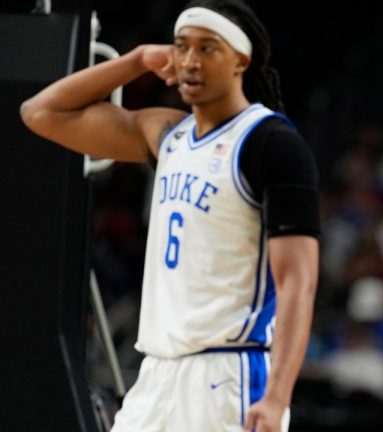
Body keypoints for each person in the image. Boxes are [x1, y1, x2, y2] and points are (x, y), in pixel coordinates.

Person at [20, 0, 319, 431]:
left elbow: (298, 283)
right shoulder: (168, 135)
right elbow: (40, 113)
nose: (191, 61)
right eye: (182, 47)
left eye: (207, 48)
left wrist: (276, 396)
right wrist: (137, 59)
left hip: (226, 375)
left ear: (241, 60)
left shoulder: (271, 144)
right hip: (156, 373)